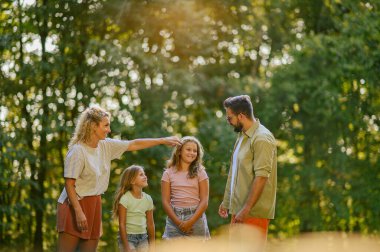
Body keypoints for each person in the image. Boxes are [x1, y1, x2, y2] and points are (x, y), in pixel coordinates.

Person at [56, 105, 180, 252]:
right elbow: (69, 185)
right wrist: (78, 212)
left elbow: (133, 144)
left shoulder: (106, 145)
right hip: (74, 204)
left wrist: (163, 140)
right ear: (92, 126)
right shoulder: (78, 151)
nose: (109, 130)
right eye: (106, 125)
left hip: (94, 203)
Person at [218, 95, 277, 243]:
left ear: (241, 116)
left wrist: (246, 209)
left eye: (229, 118)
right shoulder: (242, 136)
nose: (229, 122)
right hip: (238, 211)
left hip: (253, 213)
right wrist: (227, 202)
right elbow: (235, 171)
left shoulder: (262, 138)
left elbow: (262, 177)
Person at [161, 136, 210, 240]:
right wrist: (179, 223)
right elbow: (165, 201)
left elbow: (204, 201)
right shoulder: (168, 173)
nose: (192, 153)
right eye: (188, 149)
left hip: (195, 217)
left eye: (195, 151)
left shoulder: (201, 172)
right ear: (179, 151)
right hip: (174, 218)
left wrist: (190, 222)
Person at [112, 165, 154, 252]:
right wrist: (126, 247)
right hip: (127, 238)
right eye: (141, 174)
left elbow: (150, 224)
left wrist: (152, 245)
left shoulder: (148, 199)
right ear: (132, 180)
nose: (145, 176)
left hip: (143, 238)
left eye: (144, 174)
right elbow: (122, 225)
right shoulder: (125, 199)